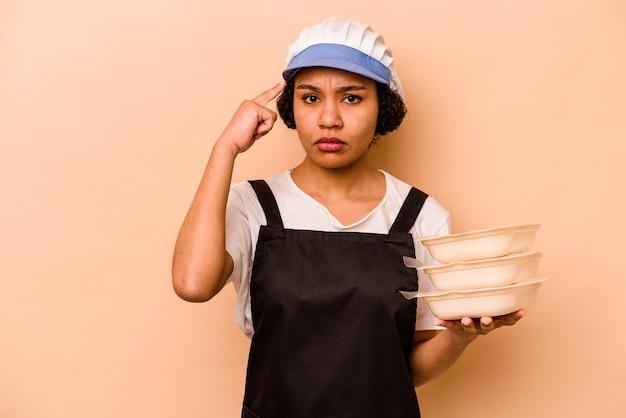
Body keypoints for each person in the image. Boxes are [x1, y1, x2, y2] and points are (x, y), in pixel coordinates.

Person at [172, 17, 524, 418]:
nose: (329, 119)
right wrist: (225, 149)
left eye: (352, 98)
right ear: (290, 108)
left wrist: (460, 336)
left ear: (383, 107)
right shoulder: (253, 204)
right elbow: (192, 284)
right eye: (310, 98)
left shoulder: (419, 217)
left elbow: (403, 369)